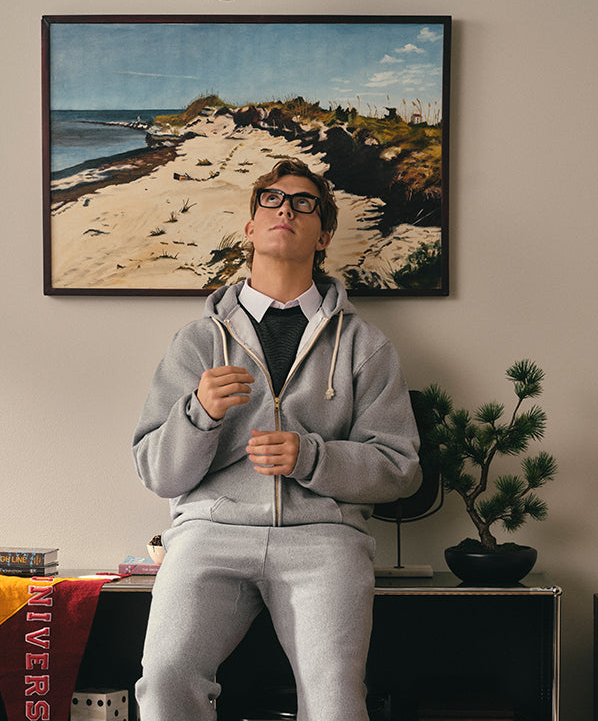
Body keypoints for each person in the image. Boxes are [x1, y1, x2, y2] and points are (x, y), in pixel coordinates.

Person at [132, 157, 421, 721]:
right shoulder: (197, 342)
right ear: (250, 227)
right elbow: (157, 473)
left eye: (303, 202)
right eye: (271, 199)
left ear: (324, 236)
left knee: (336, 699)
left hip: (324, 539)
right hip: (209, 533)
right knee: (164, 678)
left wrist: (311, 457)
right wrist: (199, 413)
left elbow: (400, 468)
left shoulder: (365, 345)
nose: (285, 208)